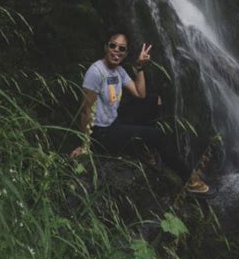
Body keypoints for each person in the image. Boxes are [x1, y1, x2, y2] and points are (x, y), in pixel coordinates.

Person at [71, 29, 214, 196]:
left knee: (154, 100)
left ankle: (142, 145)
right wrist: (85, 145)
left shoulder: (118, 71)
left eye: (122, 48)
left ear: (125, 53)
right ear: (106, 48)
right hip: (101, 133)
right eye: (113, 46)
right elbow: (85, 110)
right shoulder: (96, 72)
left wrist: (139, 68)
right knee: (157, 135)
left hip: (114, 121)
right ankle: (189, 179)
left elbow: (140, 94)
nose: (116, 50)